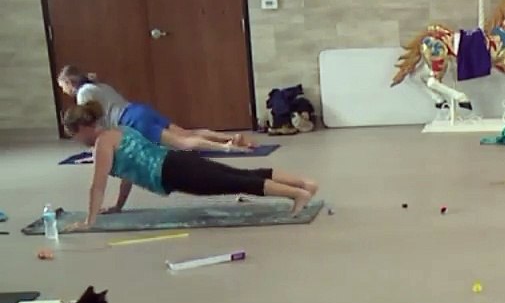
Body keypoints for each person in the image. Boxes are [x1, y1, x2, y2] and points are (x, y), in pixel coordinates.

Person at [58, 102, 317, 231]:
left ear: (83, 128)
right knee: (239, 176)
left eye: (75, 135)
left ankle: (297, 194)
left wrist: (88, 221)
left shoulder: (102, 144)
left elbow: (97, 186)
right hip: (175, 163)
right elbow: (127, 175)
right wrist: (118, 206)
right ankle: (302, 184)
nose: (77, 140)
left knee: (236, 181)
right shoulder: (119, 131)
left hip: (173, 171)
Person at [57, 65, 255, 152]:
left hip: (131, 121)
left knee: (183, 143)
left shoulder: (84, 93)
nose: (63, 90)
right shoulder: (99, 85)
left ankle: (226, 147)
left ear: (68, 81)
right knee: (187, 133)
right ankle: (230, 138)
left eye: (62, 86)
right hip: (138, 110)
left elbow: (91, 122)